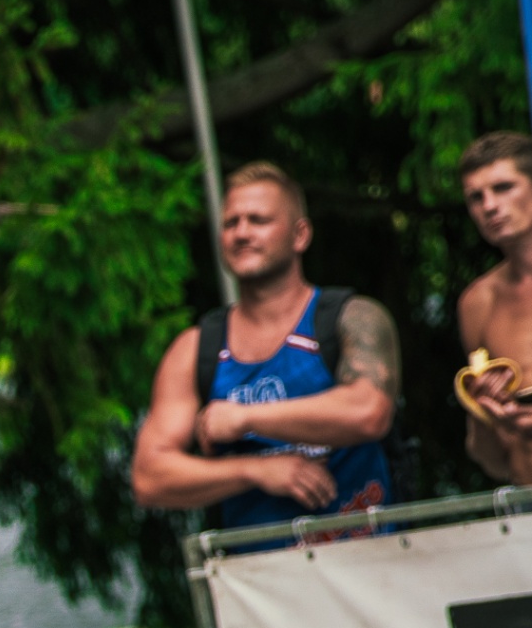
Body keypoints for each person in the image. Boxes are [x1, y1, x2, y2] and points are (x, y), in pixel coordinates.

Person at [131, 161, 400, 529]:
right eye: (231, 223)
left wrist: (244, 418)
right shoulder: (196, 348)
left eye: (258, 220)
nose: (242, 233)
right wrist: (255, 470)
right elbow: (150, 478)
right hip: (253, 564)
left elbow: (369, 412)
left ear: (300, 235)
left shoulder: (351, 317)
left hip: (368, 554)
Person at [458, 131, 532, 484]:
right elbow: (491, 458)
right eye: (476, 197)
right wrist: (483, 413)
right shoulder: (478, 302)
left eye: (503, 188)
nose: (489, 206)